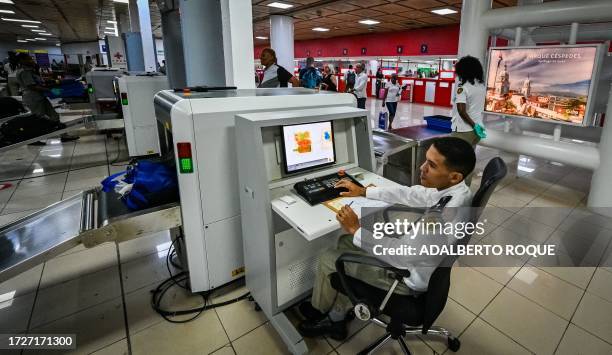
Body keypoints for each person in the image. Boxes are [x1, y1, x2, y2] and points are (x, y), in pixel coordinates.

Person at [298, 137, 476, 340]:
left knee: (328, 257)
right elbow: (412, 194)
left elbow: (402, 255)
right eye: (425, 160)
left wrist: (356, 229)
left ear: (454, 176)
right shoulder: (456, 191)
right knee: (345, 243)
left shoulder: (444, 214)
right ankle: (338, 307)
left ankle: (330, 319)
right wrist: (364, 191)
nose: (422, 167)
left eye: (432, 165)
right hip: (421, 263)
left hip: (404, 277)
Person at [15, 53, 79, 144]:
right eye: (29, 59)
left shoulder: (29, 70)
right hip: (33, 98)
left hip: (39, 96)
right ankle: (32, 139)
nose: (32, 60)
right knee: (38, 119)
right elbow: (32, 86)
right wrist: (51, 90)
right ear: (22, 60)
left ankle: (64, 135)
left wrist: (51, 83)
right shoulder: (24, 71)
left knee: (54, 116)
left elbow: (39, 82)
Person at [451, 55, 486, 147]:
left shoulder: (463, 88)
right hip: (478, 130)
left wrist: (474, 125)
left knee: (456, 159)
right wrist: (476, 127)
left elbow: (462, 111)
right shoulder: (482, 87)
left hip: (464, 131)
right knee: (469, 156)